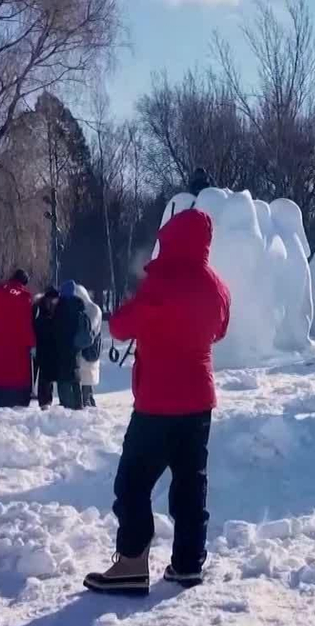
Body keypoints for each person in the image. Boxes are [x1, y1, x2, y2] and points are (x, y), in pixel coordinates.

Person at [85, 209, 230, 596]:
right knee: (190, 483)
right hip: (199, 400)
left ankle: (132, 563)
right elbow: (220, 328)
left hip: (158, 401)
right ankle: (188, 563)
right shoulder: (216, 286)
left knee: (132, 484)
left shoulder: (162, 282)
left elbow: (120, 326)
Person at [0, 269, 36, 414]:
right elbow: (26, 325)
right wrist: (32, 343)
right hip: (15, 349)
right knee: (15, 379)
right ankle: (12, 410)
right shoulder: (24, 298)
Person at [34, 281, 92, 410]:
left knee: (63, 386)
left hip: (59, 356)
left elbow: (51, 331)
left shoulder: (60, 312)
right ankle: (78, 409)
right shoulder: (79, 308)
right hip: (74, 354)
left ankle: (66, 411)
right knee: (75, 381)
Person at [73, 283, 105, 408]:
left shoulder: (92, 310)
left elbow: (89, 332)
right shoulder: (92, 309)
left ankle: (88, 404)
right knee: (85, 381)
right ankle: (88, 403)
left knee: (86, 381)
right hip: (88, 351)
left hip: (88, 351)